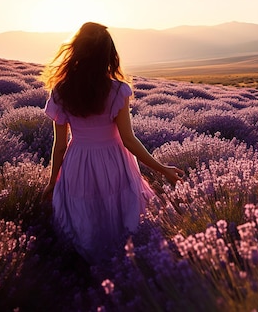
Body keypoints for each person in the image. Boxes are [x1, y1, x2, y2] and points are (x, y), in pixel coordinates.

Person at [40, 22, 183, 264]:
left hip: (78, 163)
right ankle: (124, 265)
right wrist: (163, 169)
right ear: (109, 54)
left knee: (86, 216)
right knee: (119, 213)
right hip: (115, 161)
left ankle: (87, 269)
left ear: (76, 50)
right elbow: (129, 140)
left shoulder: (61, 91)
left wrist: (52, 182)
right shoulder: (118, 90)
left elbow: (60, 145)